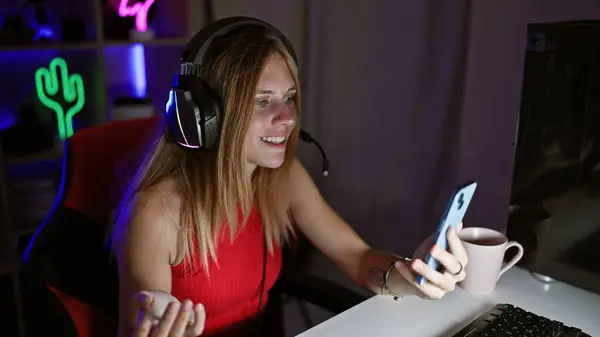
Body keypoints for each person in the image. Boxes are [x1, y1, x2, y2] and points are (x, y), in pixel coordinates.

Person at [112, 17, 469, 337]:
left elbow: (357, 258)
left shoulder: (285, 178)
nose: (287, 118)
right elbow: (141, 323)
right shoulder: (156, 214)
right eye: (261, 101)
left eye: (290, 97)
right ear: (205, 116)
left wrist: (406, 275)